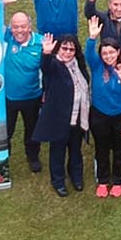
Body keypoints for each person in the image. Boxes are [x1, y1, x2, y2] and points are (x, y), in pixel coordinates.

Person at [38, 32, 90, 197]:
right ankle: (58, 181)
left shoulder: (78, 66)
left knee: (76, 150)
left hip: (77, 119)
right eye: (64, 48)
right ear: (57, 49)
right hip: (59, 119)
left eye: (71, 49)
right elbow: (45, 67)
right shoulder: (54, 65)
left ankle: (76, 176)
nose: (67, 52)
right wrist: (46, 53)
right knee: (57, 152)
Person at [2, 4, 44, 175]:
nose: (19, 30)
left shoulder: (41, 43)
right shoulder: (7, 38)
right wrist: (2, 6)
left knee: (32, 130)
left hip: (32, 97)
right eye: (15, 26)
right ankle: (3, 159)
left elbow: (49, 70)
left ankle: (33, 156)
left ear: (30, 26)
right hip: (8, 97)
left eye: (22, 26)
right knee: (6, 131)